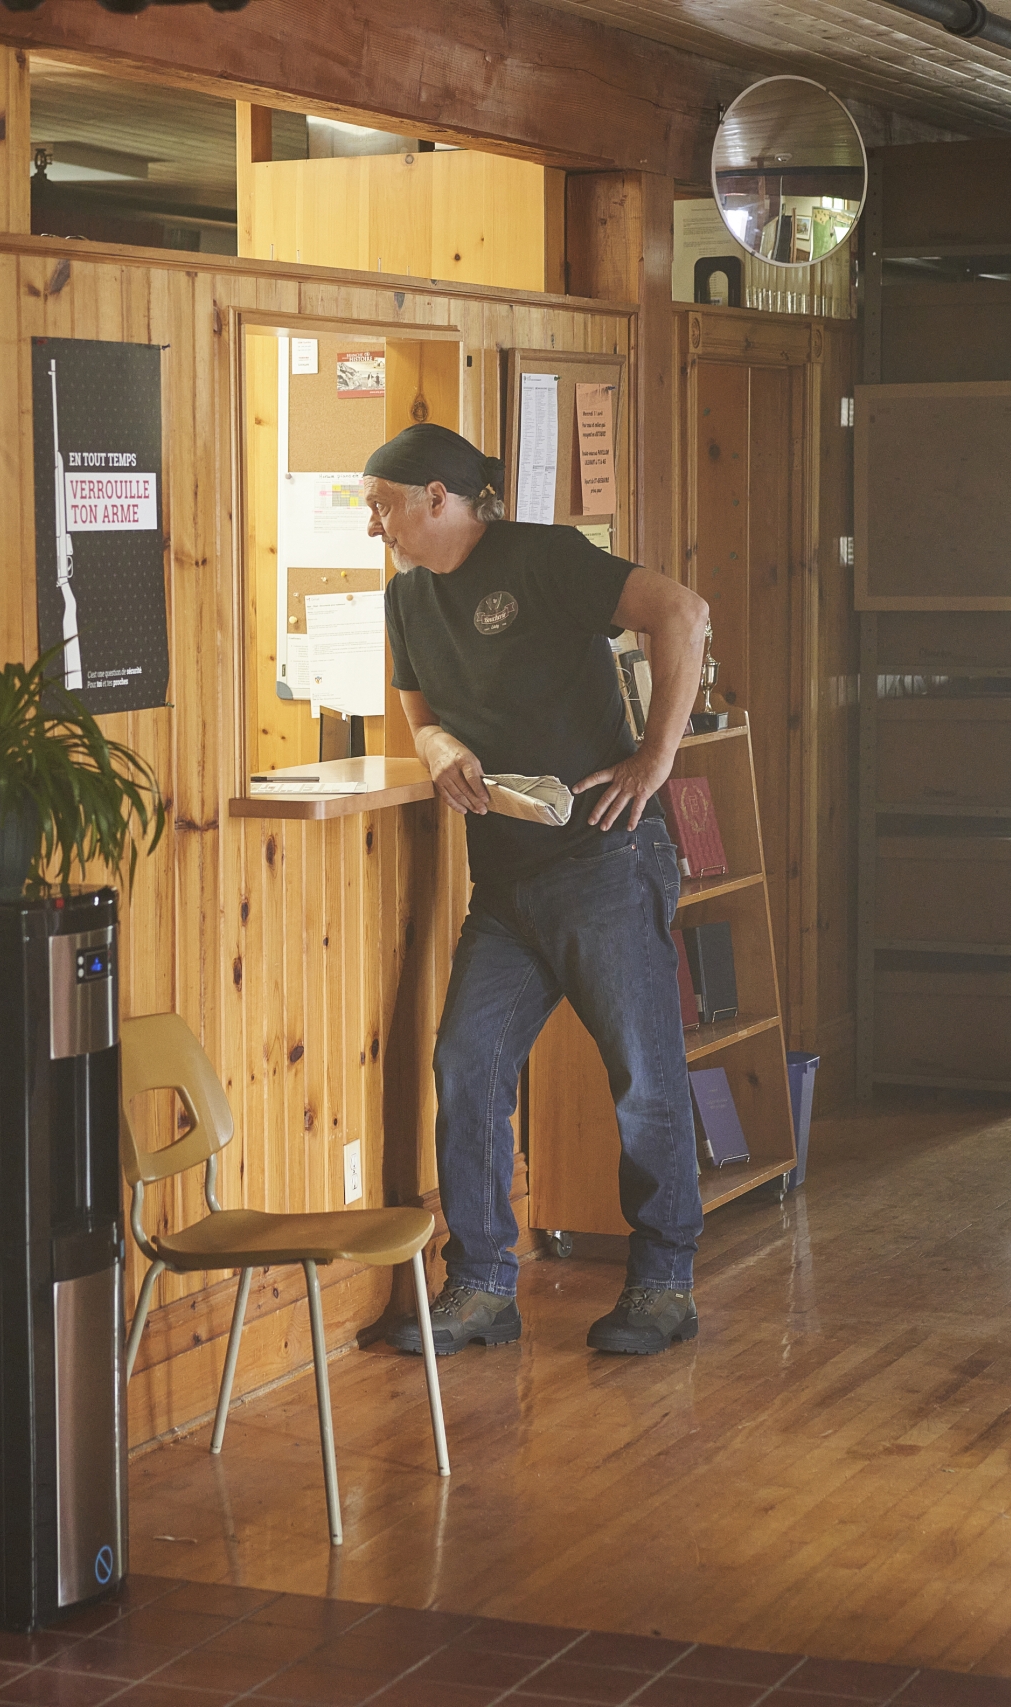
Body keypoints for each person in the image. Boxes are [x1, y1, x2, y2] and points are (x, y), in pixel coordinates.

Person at [368, 423, 712, 1358]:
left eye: (385, 505)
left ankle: (664, 1283)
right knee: (465, 1067)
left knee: (643, 1078)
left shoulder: (545, 555)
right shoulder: (405, 599)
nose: (375, 525)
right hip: (507, 882)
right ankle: (480, 1287)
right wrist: (437, 747)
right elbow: (417, 709)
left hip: (605, 858)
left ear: (438, 498)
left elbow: (681, 611)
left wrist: (655, 759)